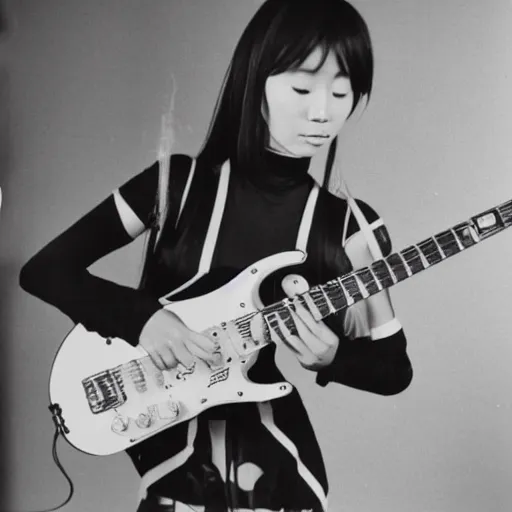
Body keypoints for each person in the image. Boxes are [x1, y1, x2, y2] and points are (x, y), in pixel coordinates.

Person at [19, 0, 413, 510]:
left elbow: (393, 370)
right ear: (256, 81)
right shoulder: (174, 185)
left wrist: (335, 357)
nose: (322, 112)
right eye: (301, 88)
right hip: (168, 455)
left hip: (278, 466)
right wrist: (144, 320)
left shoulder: (352, 225)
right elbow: (45, 271)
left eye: (342, 92)